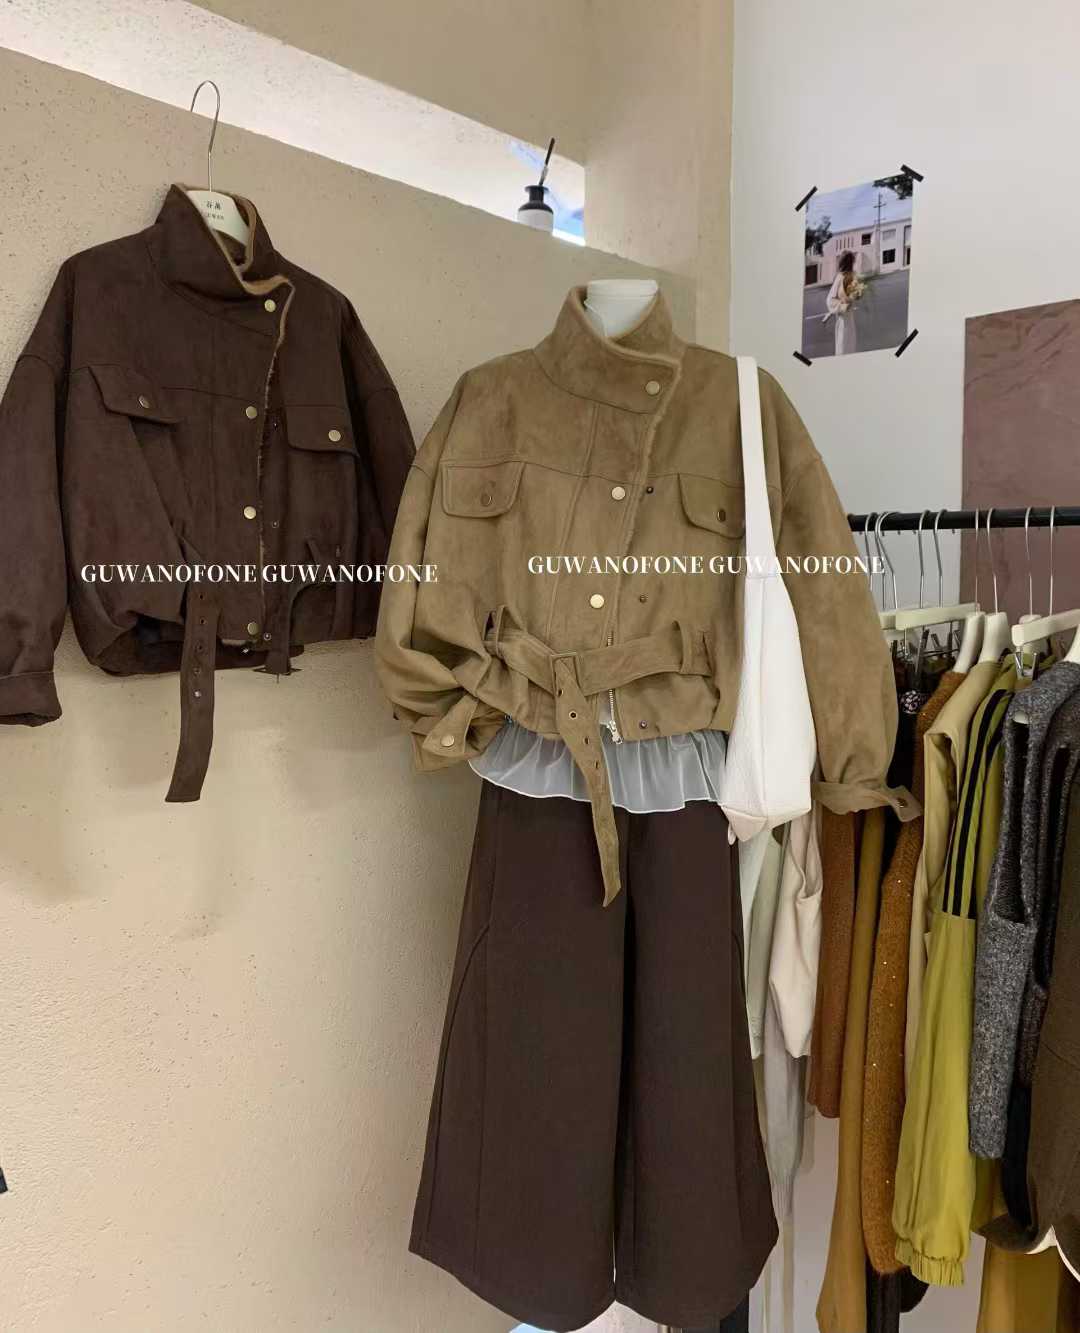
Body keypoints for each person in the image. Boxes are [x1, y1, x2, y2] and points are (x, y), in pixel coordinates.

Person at [826, 250, 859, 355]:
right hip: (843, 319)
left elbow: (853, 294)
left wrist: (857, 294)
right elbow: (830, 300)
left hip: (850, 319)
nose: (852, 264)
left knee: (850, 346)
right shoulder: (840, 277)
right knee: (843, 347)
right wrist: (843, 306)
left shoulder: (853, 276)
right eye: (851, 261)